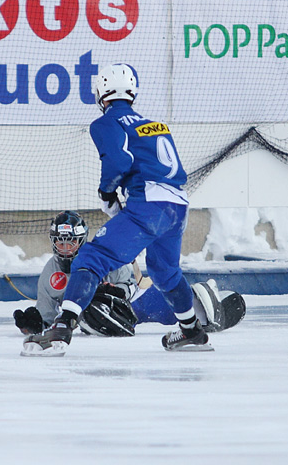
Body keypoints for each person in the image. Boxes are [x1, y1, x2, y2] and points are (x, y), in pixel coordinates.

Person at [21, 63, 210, 356]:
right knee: (164, 272)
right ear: (133, 91)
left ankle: (62, 327)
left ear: (101, 93)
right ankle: (192, 331)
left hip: (149, 204)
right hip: (177, 206)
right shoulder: (157, 125)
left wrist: (107, 193)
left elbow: (118, 162)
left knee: (93, 256)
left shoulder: (106, 122)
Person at [13, 210, 246, 338]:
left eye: (71, 242)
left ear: (82, 240)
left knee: (167, 304)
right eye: (60, 243)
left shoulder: (101, 255)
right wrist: (35, 325)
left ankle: (203, 305)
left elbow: (129, 285)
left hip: (133, 306)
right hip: (91, 321)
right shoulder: (49, 274)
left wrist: (113, 293)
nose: (66, 248)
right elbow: (47, 316)